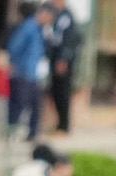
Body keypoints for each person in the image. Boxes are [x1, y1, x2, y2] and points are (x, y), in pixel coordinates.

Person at [4, 4, 50, 143]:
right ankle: (11, 132)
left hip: (34, 74)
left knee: (36, 105)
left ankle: (32, 134)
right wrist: (15, 64)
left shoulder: (40, 29)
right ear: (43, 13)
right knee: (19, 103)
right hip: (22, 73)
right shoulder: (28, 27)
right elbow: (14, 47)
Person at [44, 0, 82, 133]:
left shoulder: (67, 17)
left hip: (63, 61)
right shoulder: (55, 15)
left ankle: (64, 126)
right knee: (54, 91)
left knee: (63, 92)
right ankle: (59, 124)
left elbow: (71, 40)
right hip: (53, 59)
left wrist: (63, 59)